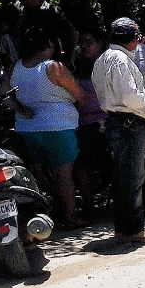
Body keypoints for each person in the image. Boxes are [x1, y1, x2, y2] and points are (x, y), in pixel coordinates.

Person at [8, 29, 87, 229]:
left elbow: (3, 95)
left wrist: (21, 109)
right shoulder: (53, 67)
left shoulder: (14, 68)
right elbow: (79, 94)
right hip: (58, 126)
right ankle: (70, 217)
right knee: (64, 174)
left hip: (27, 129)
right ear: (46, 46)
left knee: (40, 174)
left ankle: (49, 213)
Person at [93, 18, 145, 244]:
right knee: (133, 177)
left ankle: (123, 228)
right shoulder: (121, 60)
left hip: (115, 121)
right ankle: (133, 229)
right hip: (128, 122)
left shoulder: (103, 59)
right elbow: (129, 97)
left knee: (122, 176)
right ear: (133, 39)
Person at [72, 30, 110, 218]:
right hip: (87, 123)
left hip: (110, 120)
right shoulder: (79, 66)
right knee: (81, 165)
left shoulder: (111, 63)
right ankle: (88, 205)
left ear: (100, 42)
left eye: (88, 41)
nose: (83, 46)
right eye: (82, 42)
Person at [17, 0, 78, 68]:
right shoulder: (24, 14)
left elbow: (73, 33)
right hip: (29, 63)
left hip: (53, 62)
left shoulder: (52, 12)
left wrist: (68, 59)